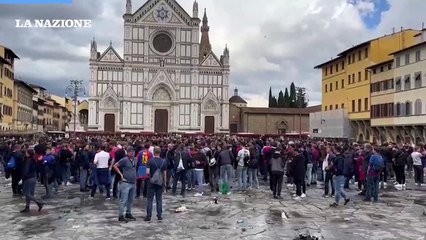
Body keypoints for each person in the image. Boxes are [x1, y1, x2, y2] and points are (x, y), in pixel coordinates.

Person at [114, 146, 137, 223]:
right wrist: (121, 175)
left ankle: (128, 213)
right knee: (123, 200)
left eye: (133, 151)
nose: (132, 153)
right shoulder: (124, 160)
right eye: (131, 151)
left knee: (130, 199)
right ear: (127, 152)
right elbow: (115, 165)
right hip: (126, 183)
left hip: (133, 182)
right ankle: (121, 215)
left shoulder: (135, 159)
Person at [145, 146, 167, 222]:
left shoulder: (150, 161)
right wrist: (165, 183)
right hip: (160, 183)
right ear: (160, 152)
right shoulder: (164, 161)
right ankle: (159, 216)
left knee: (150, 199)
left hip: (151, 182)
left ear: (153, 152)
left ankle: (148, 216)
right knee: (159, 199)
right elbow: (164, 174)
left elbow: (147, 172)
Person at [21, 149, 44, 213]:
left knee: (26, 193)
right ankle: (27, 207)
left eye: (26, 152)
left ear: (28, 153)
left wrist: (24, 176)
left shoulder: (28, 160)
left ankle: (38, 202)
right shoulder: (33, 159)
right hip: (33, 177)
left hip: (28, 178)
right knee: (29, 193)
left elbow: (26, 170)